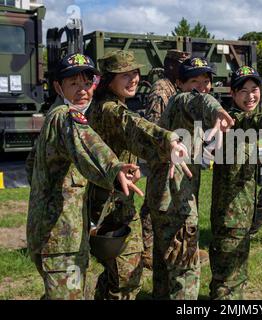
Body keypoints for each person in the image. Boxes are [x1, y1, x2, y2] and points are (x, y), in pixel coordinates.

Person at [25, 53, 142, 300]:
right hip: (59, 242)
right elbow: (88, 144)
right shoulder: (65, 116)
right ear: (59, 86)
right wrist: (113, 167)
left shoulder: (55, 116)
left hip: (62, 237)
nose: (82, 90)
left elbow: (31, 165)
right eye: (73, 84)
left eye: (87, 83)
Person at [85, 49, 190, 300]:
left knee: (116, 273)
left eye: (134, 73)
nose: (133, 79)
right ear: (109, 79)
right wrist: (168, 140)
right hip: (109, 209)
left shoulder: (107, 105)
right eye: (124, 75)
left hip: (114, 204)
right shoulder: (110, 109)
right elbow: (135, 125)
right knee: (127, 278)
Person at [146, 57, 235, 300]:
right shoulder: (181, 100)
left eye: (206, 81)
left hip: (162, 199)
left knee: (165, 272)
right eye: (194, 81)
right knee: (185, 274)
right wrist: (217, 111)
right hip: (177, 203)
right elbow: (198, 101)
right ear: (179, 83)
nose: (202, 86)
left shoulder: (182, 109)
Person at [208, 66, 262, 299]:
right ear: (232, 94)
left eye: (255, 89)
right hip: (229, 214)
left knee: (237, 274)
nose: (250, 95)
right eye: (243, 90)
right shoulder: (230, 119)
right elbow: (248, 120)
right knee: (227, 280)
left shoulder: (248, 122)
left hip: (243, 211)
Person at [140, 49, 190, 270]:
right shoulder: (162, 90)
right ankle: (146, 249)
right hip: (162, 155)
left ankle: (154, 247)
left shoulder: (175, 87)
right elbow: (155, 125)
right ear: (171, 66)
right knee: (154, 203)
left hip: (171, 153)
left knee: (162, 200)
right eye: (182, 65)